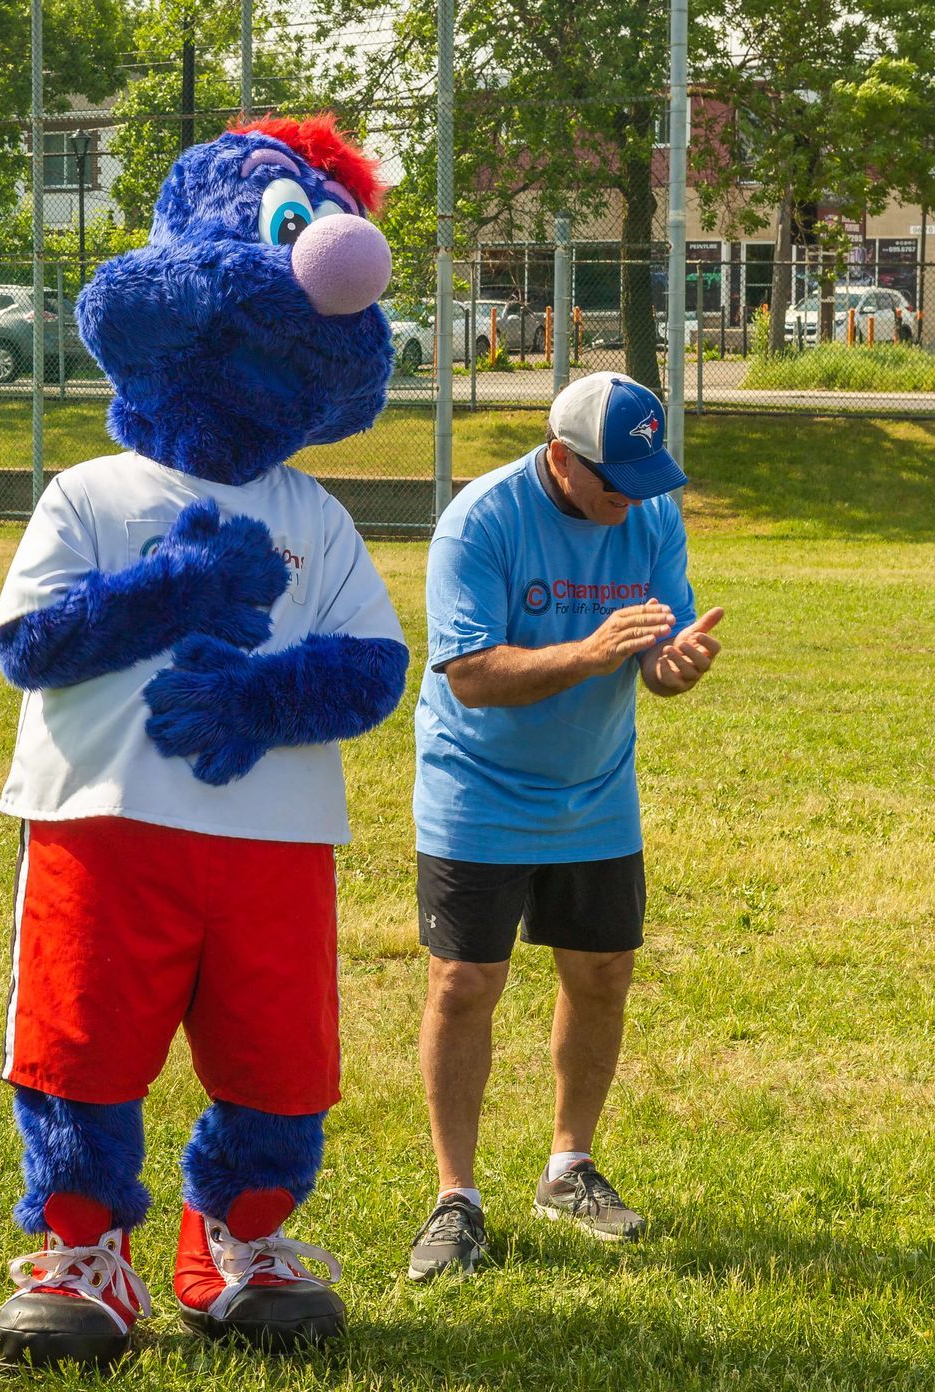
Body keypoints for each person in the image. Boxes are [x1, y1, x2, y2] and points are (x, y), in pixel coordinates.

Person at [407, 371, 724, 1282]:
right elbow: (470, 674)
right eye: (614, 484)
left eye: (644, 483)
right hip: (477, 788)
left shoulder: (649, 514)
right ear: (560, 457)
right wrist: (589, 653)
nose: (631, 502)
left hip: (595, 789)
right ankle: (456, 1199)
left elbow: (655, 654)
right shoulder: (481, 522)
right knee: (465, 983)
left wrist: (674, 665)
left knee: (602, 972)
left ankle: (568, 1168)